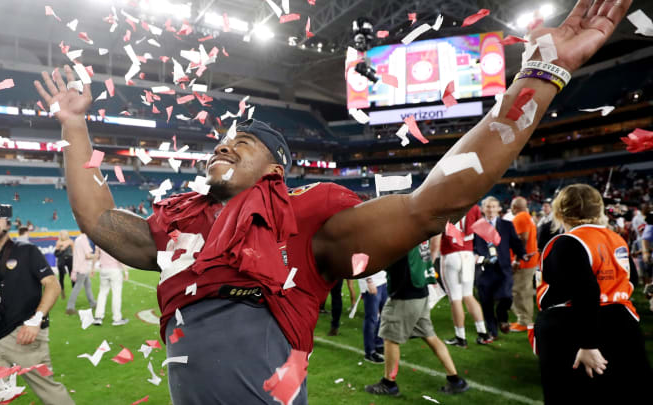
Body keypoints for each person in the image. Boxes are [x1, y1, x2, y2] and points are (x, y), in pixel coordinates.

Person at [34, 2, 632, 401]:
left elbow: (435, 201)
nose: (221, 146)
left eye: (239, 143)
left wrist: (543, 73)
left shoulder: (303, 222)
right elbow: (99, 219)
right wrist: (74, 127)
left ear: (275, 170)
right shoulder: (182, 232)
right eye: (220, 141)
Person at [534, 184, 652, 403]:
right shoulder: (615, 238)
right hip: (622, 323)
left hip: (580, 328)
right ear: (598, 210)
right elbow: (631, 279)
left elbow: (585, 291)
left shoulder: (567, 242)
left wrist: (588, 343)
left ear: (560, 212)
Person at [0, 200, 73, 405]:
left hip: (25, 335)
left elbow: (52, 285)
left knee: (51, 394)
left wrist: (36, 320)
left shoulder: (27, 250)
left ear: (8, 223)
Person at [365, 240, 469, 396]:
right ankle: (456, 380)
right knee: (430, 336)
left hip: (406, 295)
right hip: (420, 292)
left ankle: (389, 383)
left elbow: (386, 262)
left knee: (390, 339)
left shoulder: (402, 236)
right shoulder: (417, 232)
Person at [474, 196, 529, 338]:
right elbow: (471, 246)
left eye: (493, 206)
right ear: (483, 209)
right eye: (488, 206)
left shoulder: (507, 225)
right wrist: (474, 256)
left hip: (503, 268)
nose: (491, 209)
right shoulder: (476, 227)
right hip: (484, 270)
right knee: (486, 303)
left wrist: (522, 255)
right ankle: (493, 332)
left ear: (499, 209)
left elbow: (516, 243)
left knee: (507, 297)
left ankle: (502, 317)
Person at [439, 205, 493, 348]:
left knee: (455, 299)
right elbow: (485, 231)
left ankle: (460, 337)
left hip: (451, 254)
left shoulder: (444, 206)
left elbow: (437, 233)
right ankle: (483, 333)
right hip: (468, 254)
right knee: (468, 295)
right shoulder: (473, 206)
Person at [509, 197, 540, 332]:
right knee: (524, 290)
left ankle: (524, 321)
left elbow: (523, 238)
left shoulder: (520, 217)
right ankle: (524, 319)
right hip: (530, 259)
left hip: (524, 261)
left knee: (519, 291)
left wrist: (517, 259)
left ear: (514, 207)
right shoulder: (527, 216)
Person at [93, 248, 129, 326]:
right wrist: (126, 271)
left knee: (102, 293)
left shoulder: (100, 239)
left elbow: (96, 255)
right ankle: (117, 318)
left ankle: (98, 317)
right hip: (115, 270)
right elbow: (120, 258)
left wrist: (93, 268)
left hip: (103, 270)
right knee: (116, 294)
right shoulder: (116, 241)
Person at [358, 270, 387, 363]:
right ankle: (370, 351)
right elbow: (359, 260)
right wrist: (369, 280)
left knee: (384, 315)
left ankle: (379, 343)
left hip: (383, 279)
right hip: (371, 282)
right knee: (372, 318)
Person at [65, 233, 97, 315]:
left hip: (80, 267)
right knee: (77, 288)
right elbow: (88, 256)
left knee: (87, 285)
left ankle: (93, 303)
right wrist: (97, 256)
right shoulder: (84, 240)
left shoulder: (78, 239)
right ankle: (70, 307)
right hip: (82, 268)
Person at [53, 230, 74, 299]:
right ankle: (62, 291)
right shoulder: (58, 242)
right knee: (61, 276)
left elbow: (74, 251)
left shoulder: (70, 241)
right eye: (60, 234)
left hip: (69, 259)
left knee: (72, 275)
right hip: (61, 259)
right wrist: (61, 249)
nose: (61, 236)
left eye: (62, 234)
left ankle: (74, 290)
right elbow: (56, 253)